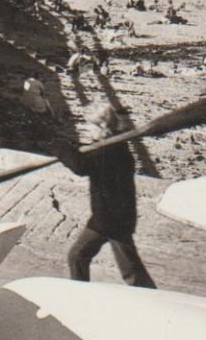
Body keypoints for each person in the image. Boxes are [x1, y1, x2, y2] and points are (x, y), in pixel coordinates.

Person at [64, 102, 156, 288]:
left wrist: (59, 148)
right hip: (120, 217)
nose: (86, 129)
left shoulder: (107, 151)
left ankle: (79, 294)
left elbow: (80, 166)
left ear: (101, 127)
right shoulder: (117, 147)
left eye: (89, 125)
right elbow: (88, 160)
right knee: (130, 268)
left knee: (77, 256)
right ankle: (149, 294)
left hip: (107, 219)